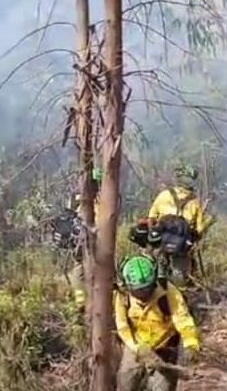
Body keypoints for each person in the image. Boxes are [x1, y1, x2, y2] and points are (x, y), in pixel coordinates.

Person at [115, 255, 201, 391]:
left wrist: (191, 344)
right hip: (136, 344)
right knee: (126, 380)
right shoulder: (122, 296)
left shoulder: (168, 292)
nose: (143, 294)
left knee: (163, 387)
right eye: (138, 291)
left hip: (165, 346)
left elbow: (183, 320)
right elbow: (122, 326)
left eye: (146, 289)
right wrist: (138, 348)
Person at [134, 165, 214, 284]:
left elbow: (151, 217)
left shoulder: (164, 195)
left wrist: (152, 237)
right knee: (180, 273)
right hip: (181, 244)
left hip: (160, 241)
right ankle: (178, 294)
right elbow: (199, 229)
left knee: (156, 267)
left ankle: (159, 289)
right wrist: (209, 223)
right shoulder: (194, 202)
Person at [58, 167, 104, 311]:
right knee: (89, 271)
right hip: (88, 241)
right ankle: (87, 303)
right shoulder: (96, 200)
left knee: (79, 271)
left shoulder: (78, 196)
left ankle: (83, 303)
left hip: (80, 241)